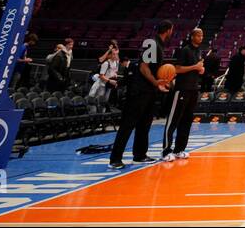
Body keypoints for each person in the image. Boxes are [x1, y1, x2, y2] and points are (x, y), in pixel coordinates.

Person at [109, 21, 174, 170]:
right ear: (169, 30)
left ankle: (139, 155)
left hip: (149, 90)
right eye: (172, 31)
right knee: (128, 125)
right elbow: (143, 67)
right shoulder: (152, 42)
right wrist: (156, 82)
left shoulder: (159, 45)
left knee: (144, 125)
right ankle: (115, 159)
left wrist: (161, 83)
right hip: (139, 91)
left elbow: (153, 69)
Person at [162, 28, 207, 160]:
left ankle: (179, 149)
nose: (201, 37)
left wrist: (201, 69)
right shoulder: (184, 50)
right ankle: (166, 151)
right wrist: (195, 67)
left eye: (202, 35)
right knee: (173, 120)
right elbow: (177, 69)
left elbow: (197, 68)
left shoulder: (199, 51)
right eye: (198, 35)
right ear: (192, 36)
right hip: (182, 89)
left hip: (193, 89)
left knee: (186, 121)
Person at [88, 44, 120, 112]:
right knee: (99, 101)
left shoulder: (117, 62)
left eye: (117, 54)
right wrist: (109, 80)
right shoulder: (106, 63)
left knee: (105, 102)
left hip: (108, 85)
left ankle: (102, 116)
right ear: (110, 55)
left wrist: (115, 76)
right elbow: (101, 76)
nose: (115, 56)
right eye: (114, 54)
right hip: (102, 85)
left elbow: (115, 72)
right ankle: (95, 115)